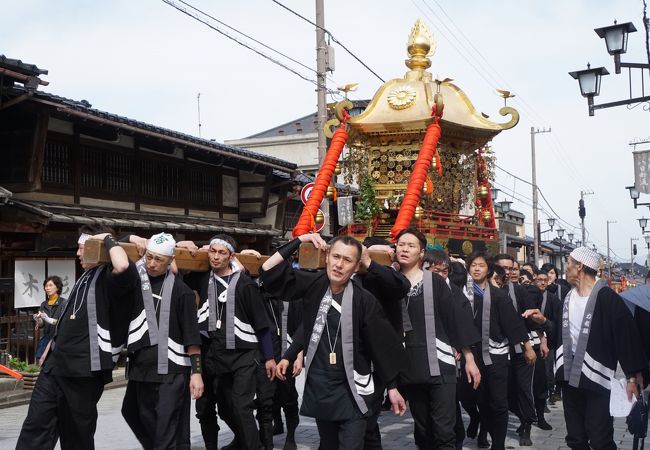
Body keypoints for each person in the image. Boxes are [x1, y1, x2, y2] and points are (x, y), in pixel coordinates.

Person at [261, 233, 407, 450]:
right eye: (335, 256)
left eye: (347, 260)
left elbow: (381, 344)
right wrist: (301, 239)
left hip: (355, 388)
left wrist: (393, 388)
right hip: (322, 385)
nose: (339, 265)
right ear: (327, 257)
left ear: (356, 267)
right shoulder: (314, 285)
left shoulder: (364, 300)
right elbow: (268, 271)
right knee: (328, 445)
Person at [17, 226, 139, 450]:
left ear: (99, 248)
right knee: (35, 427)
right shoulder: (86, 276)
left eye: (83, 247)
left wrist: (110, 239)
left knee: (76, 436)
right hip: (55, 367)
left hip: (84, 370)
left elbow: (122, 264)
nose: (78, 253)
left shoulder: (109, 278)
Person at [524, 247, 647, 450]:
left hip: (597, 379)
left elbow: (626, 339)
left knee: (600, 439)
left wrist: (633, 376)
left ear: (579, 266)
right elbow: (560, 335)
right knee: (575, 439)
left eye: (569, 264)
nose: (567, 269)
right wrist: (544, 321)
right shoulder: (567, 299)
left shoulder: (608, 298)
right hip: (569, 378)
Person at [179, 235, 275, 450]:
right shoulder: (203, 279)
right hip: (212, 352)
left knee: (242, 406)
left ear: (231, 256)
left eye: (222, 253)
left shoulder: (245, 284)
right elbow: (175, 270)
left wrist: (269, 357)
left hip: (243, 355)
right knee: (215, 408)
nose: (215, 257)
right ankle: (238, 441)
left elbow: (261, 324)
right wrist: (182, 245)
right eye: (212, 251)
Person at [398, 230, 481, 450]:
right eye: (400, 244)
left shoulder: (435, 281)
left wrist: (469, 358)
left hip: (441, 364)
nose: (404, 249)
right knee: (423, 431)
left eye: (411, 245)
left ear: (422, 253)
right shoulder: (391, 281)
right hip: (411, 365)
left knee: (444, 431)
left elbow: (455, 320)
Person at [120, 233, 204, 450]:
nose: (152, 263)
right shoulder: (137, 282)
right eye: (149, 257)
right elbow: (114, 239)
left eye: (159, 259)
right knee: (131, 413)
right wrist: (132, 237)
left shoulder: (182, 291)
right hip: (141, 367)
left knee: (166, 426)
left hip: (172, 370)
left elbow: (192, 338)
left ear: (170, 260)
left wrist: (196, 373)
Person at [467, 252, 530, 450]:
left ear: (488, 270)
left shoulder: (499, 296)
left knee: (498, 402)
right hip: (472, 355)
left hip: (497, 355)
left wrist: (527, 346)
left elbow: (514, 324)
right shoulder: (463, 293)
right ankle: (483, 427)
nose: (477, 269)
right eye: (473, 265)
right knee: (478, 399)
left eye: (481, 265)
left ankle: (499, 444)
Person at [493, 253, 538, 446]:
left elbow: (534, 318)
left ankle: (527, 424)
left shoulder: (519, 290)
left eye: (510, 268)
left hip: (521, 349)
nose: (507, 272)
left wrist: (539, 342)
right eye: (503, 268)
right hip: (497, 352)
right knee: (504, 391)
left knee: (523, 387)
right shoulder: (485, 290)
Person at [33, 276, 65, 365]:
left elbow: (62, 322)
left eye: (50, 285)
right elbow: (41, 325)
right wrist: (38, 319)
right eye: (46, 286)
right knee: (41, 362)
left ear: (57, 287)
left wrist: (48, 319)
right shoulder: (44, 304)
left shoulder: (63, 303)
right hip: (46, 337)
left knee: (56, 364)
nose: (47, 288)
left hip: (58, 339)